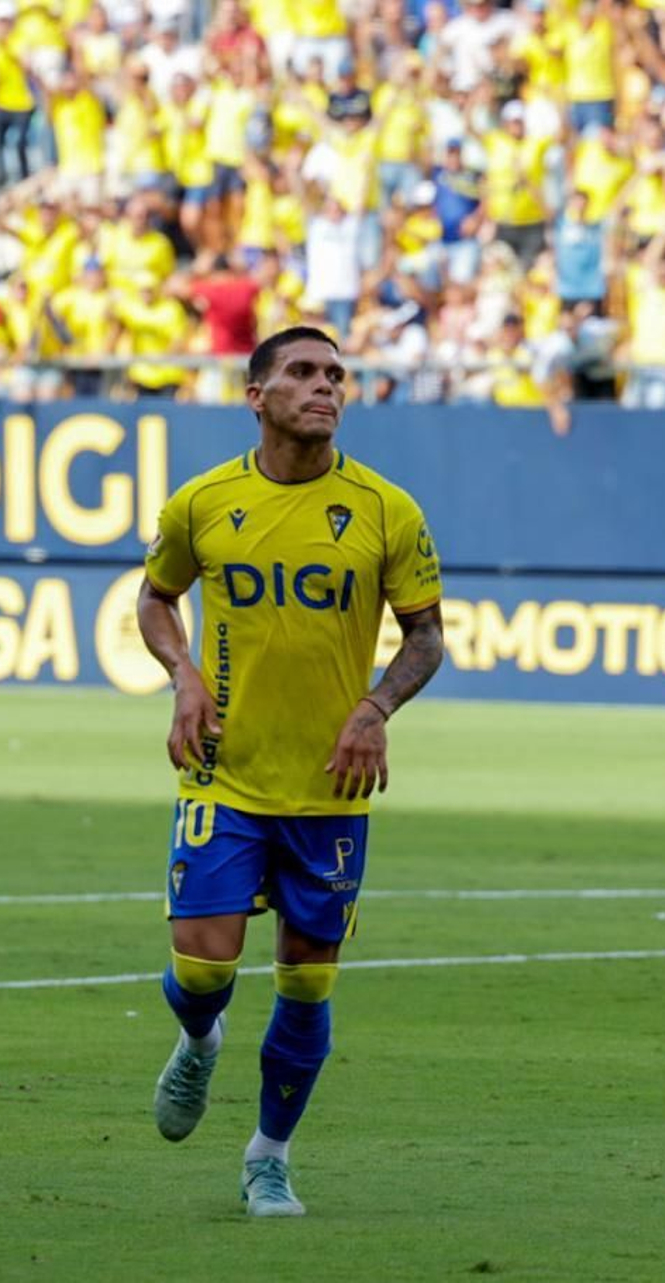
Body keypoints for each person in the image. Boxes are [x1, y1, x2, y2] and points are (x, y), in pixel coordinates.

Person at [136, 326, 446, 1216]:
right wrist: (182, 672)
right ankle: (200, 1043)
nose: (326, 387)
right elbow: (156, 596)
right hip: (224, 772)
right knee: (202, 971)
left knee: (307, 979)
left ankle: (268, 1156)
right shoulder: (203, 503)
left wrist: (375, 708)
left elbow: (426, 634)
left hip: (329, 788)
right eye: (303, 373)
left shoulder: (386, 509)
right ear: (257, 395)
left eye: (336, 375)